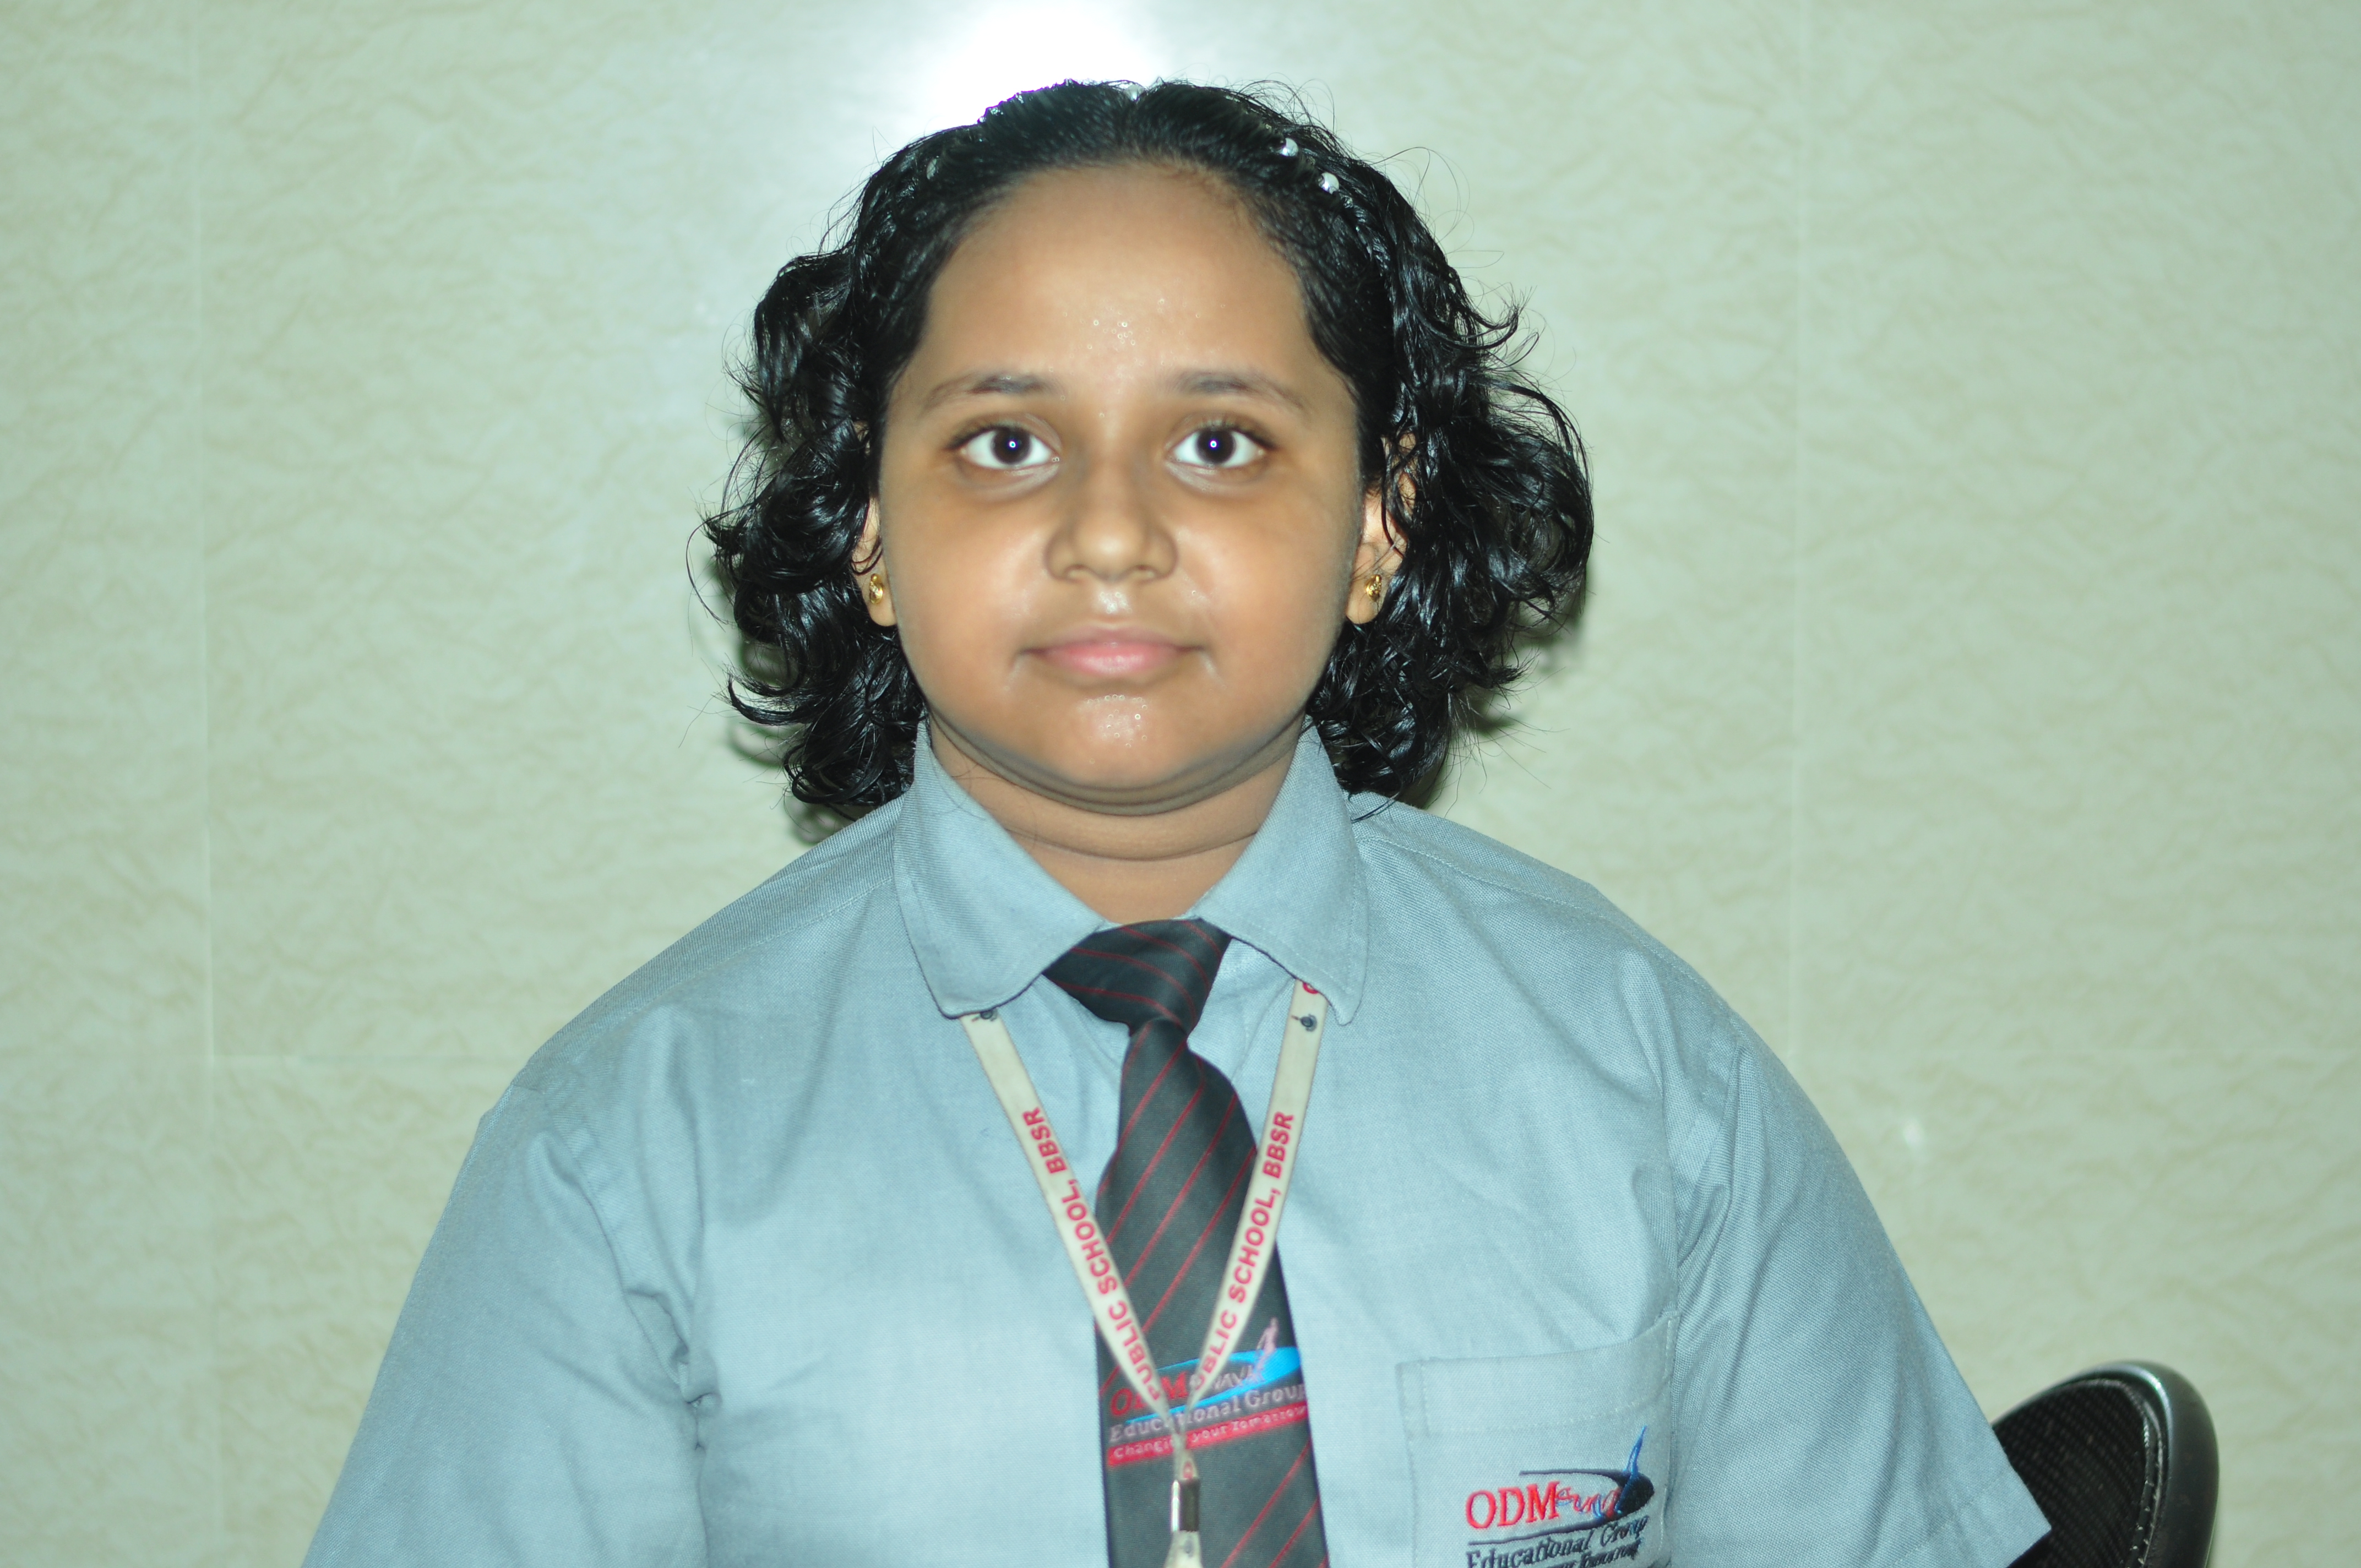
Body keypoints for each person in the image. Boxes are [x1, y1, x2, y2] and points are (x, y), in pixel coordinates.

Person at [304, 81, 2048, 1568]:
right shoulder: (624, 1156)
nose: (1112, 533)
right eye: (1005, 445)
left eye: (1219, 443)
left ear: (1379, 523)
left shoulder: (1647, 1079)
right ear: (868, 532)